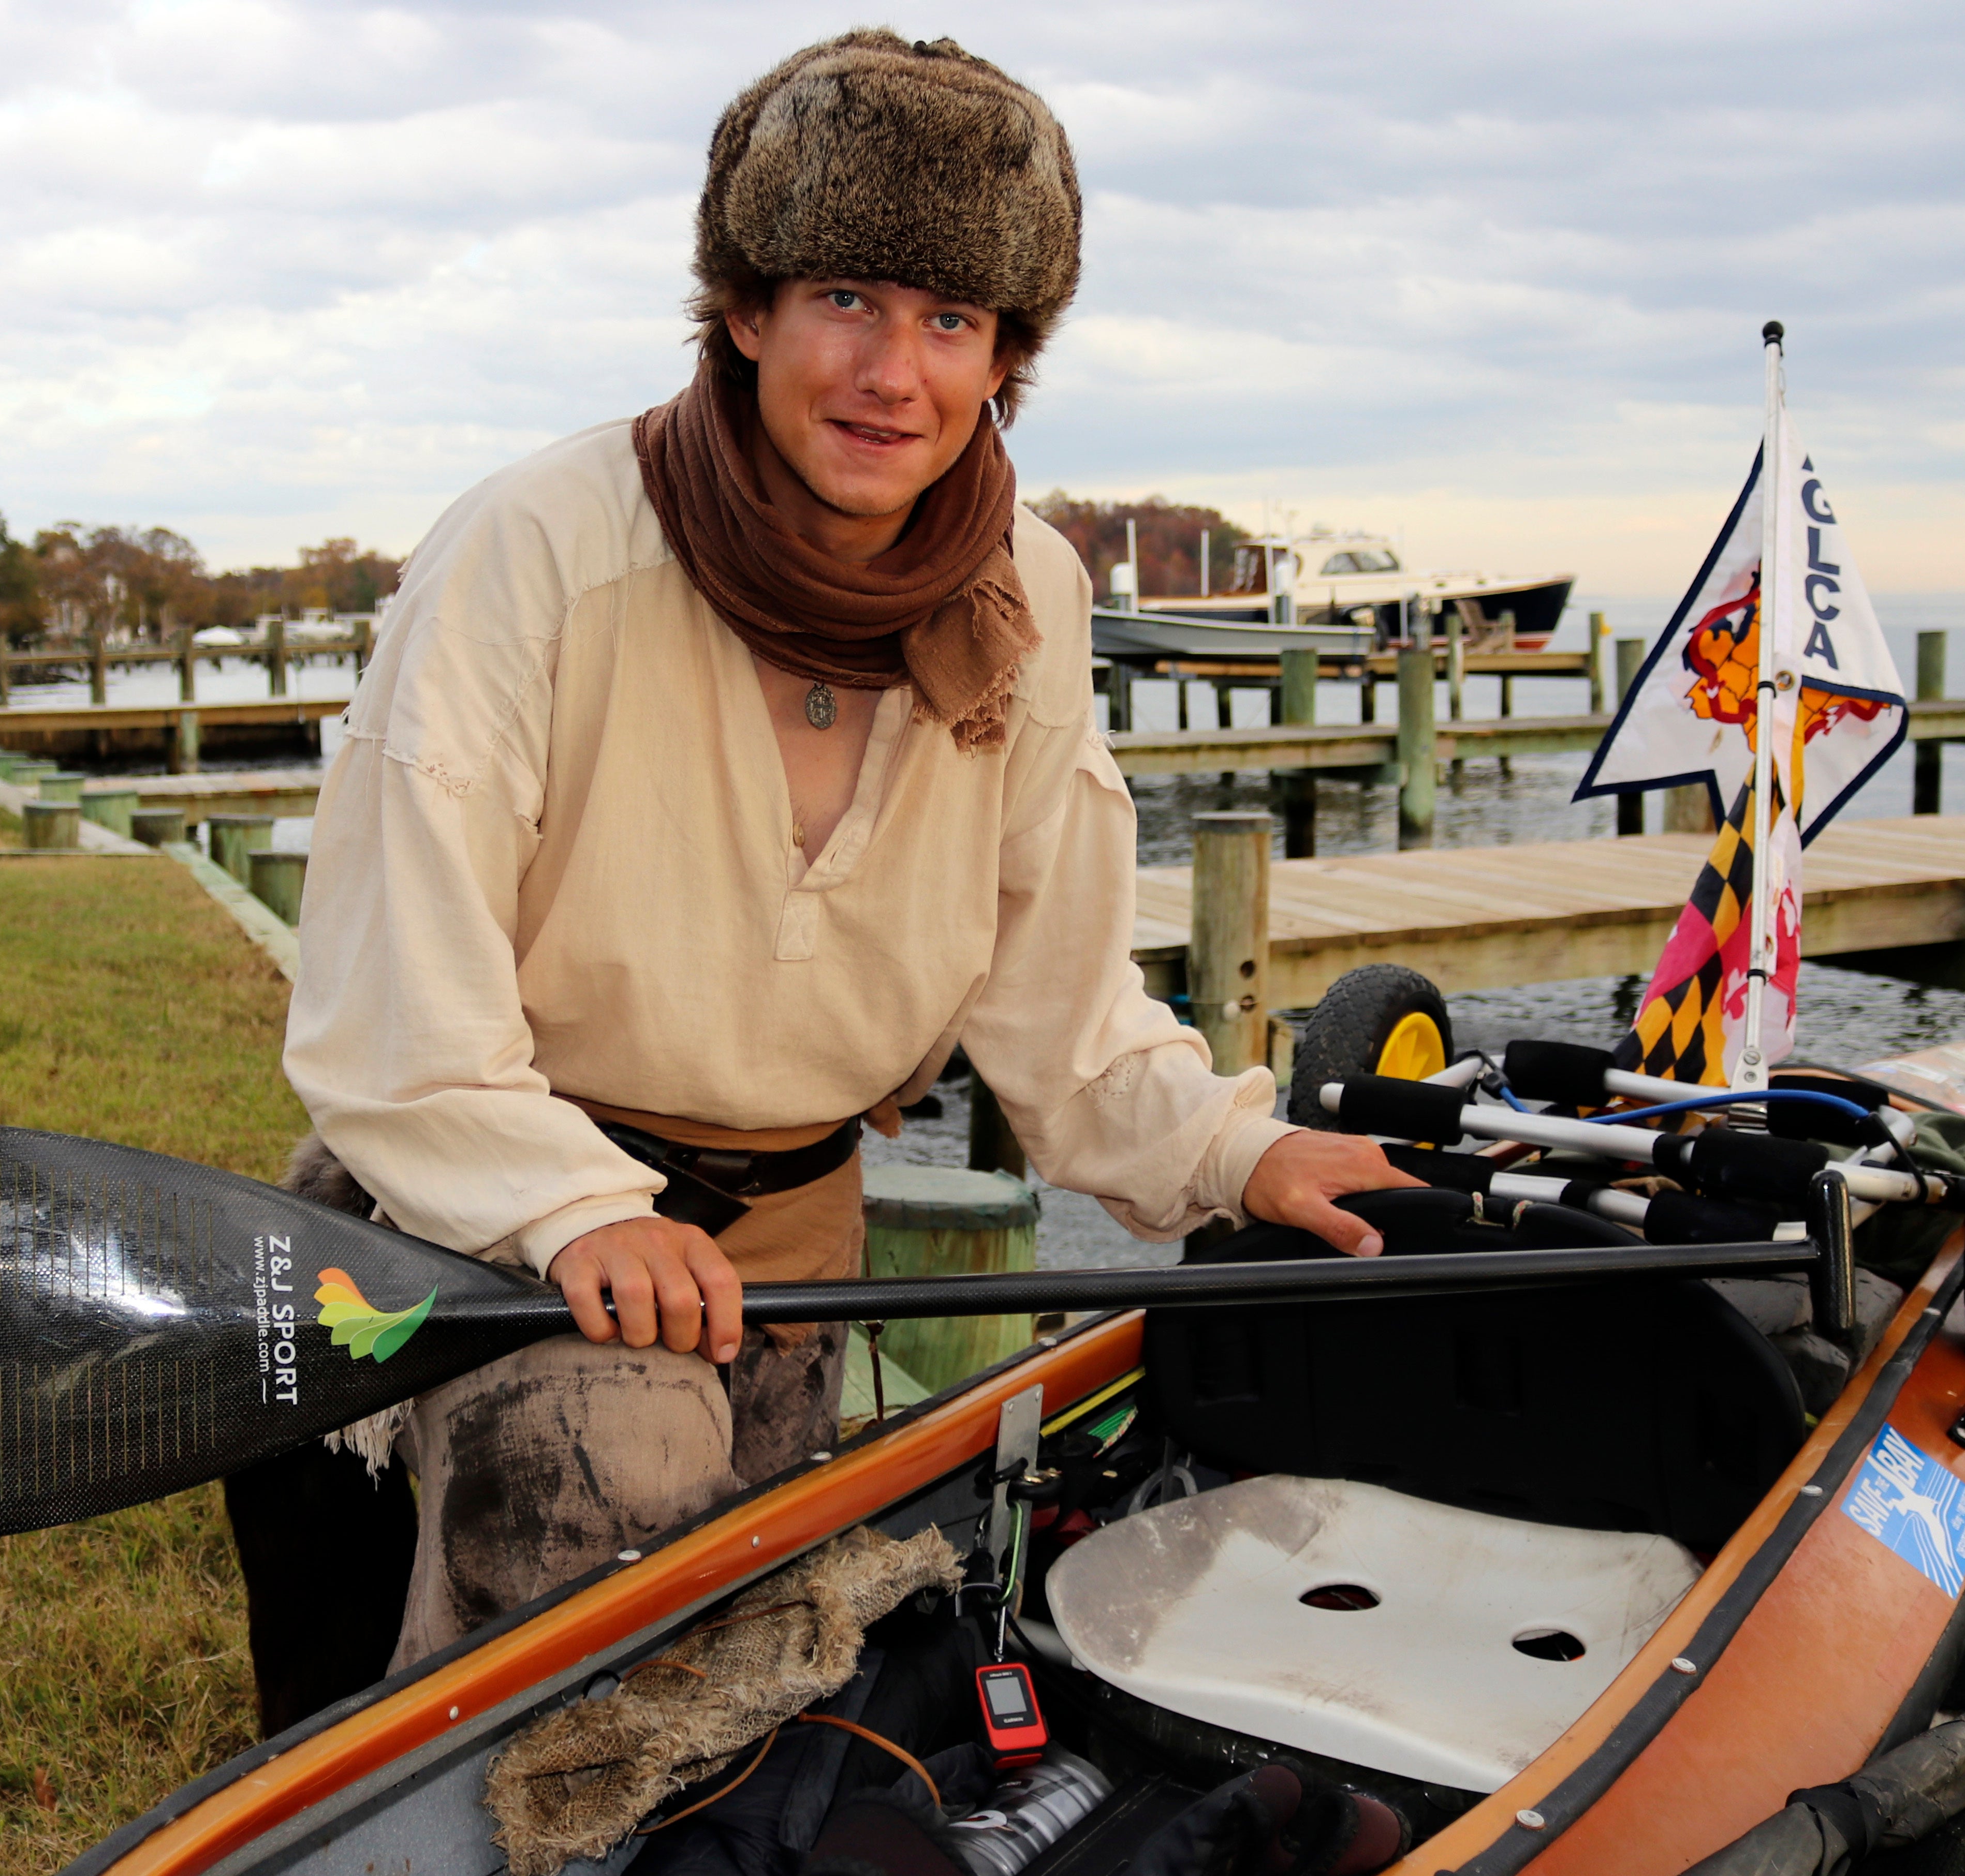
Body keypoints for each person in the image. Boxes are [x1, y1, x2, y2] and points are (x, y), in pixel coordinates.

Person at [235, 29, 1403, 1732]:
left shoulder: (1037, 594)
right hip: (490, 1216)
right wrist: (572, 1210)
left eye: (954, 321)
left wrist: (1247, 1146)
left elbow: (1063, 1023)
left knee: (739, 1690)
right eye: (849, 297)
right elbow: (393, 1013)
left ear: (1007, 355)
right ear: (745, 309)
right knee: (587, 1576)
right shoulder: (534, 552)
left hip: (794, 1245)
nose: (895, 371)